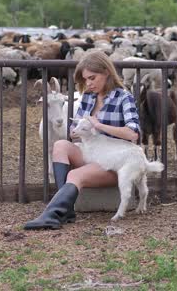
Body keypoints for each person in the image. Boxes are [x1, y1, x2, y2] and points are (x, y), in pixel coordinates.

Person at [24, 51, 140, 230]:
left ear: (106, 72)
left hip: (113, 162)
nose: (88, 83)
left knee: (74, 175)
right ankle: (67, 211)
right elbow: (74, 131)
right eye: (85, 79)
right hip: (91, 153)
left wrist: (99, 126)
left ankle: (52, 215)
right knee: (60, 145)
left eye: (92, 78)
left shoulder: (123, 97)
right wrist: (76, 131)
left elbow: (133, 134)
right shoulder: (88, 97)